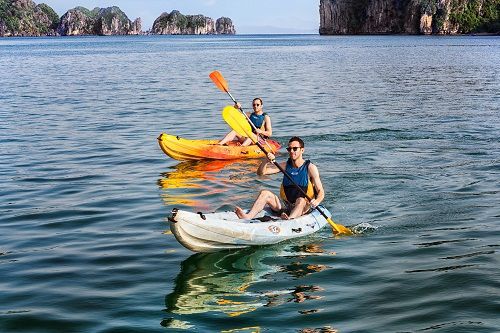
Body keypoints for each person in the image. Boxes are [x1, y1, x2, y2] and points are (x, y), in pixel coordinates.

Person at [235, 136, 325, 220]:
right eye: (289, 149)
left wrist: (317, 201)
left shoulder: (310, 168)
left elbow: (320, 191)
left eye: (295, 149)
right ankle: (248, 216)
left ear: (302, 150)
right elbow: (261, 173)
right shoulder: (285, 166)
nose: (292, 151)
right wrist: (265, 161)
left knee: (300, 200)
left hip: (304, 207)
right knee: (265, 193)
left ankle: (290, 220)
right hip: (287, 206)